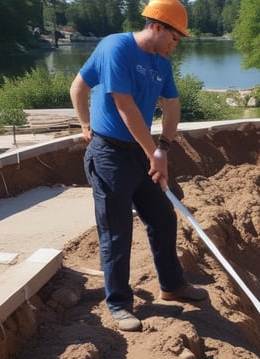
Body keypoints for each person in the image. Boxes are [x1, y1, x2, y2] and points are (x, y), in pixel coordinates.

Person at [70, 0, 207, 332]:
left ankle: (172, 286)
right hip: (109, 154)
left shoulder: (161, 63)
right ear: (157, 27)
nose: (177, 44)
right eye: (175, 37)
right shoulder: (115, 47)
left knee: (162, 217)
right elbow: (114, 101)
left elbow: (172, 105)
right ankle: (118, 303)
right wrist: (86, 126)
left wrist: (164, 147)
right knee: (117, 231)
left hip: (141, 152)